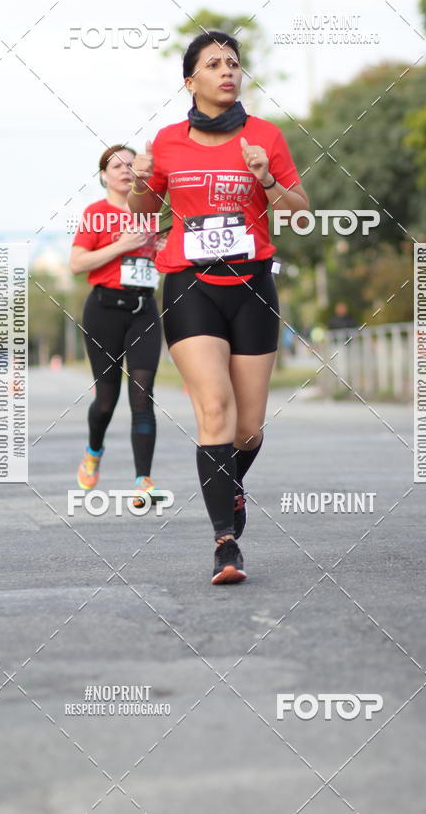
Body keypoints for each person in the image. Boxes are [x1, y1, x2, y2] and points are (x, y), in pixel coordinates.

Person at [128, 31, 308, 584]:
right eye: (213, 64)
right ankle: (225, 545)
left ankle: (229, 484)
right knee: (215, 410)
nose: (227, 71)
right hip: (189, 285)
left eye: (233, 62)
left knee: (248, 428)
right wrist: (139, 178)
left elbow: (300, 210)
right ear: (191, 81)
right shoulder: (167, 141)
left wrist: (267, 179)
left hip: (252, 284)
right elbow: (143, 209)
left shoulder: (266, 136)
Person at [70, 144, 163, 502]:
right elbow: (77, 264)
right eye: (116, 165)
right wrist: (121, 245)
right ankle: (93, 452)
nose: (125, 170)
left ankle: (143, 479)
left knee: (142, 394)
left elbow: (162, 255)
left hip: (144, 310)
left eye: (131, 164)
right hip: (104, 310)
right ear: (104, 175)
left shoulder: (152, 210)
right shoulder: (96, 213)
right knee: (106, 400)